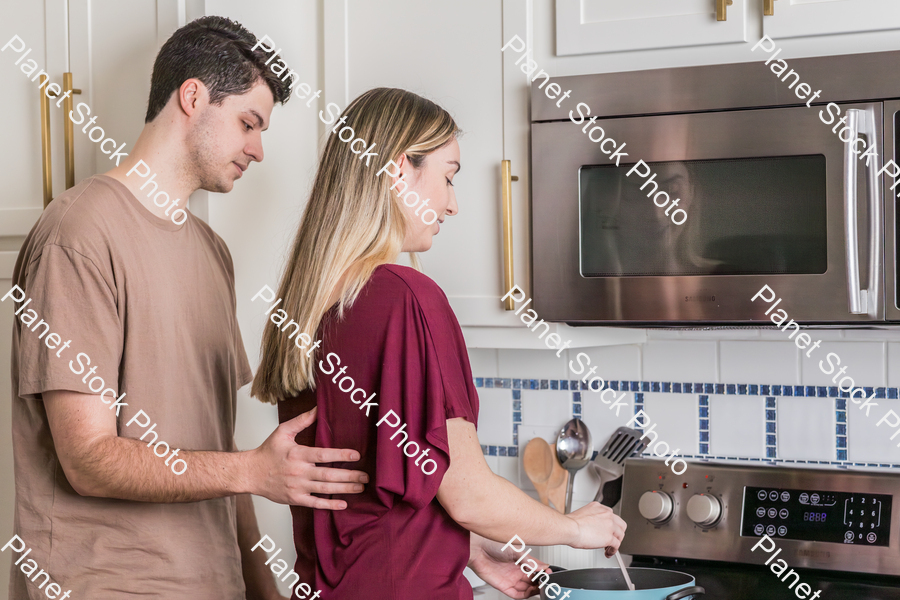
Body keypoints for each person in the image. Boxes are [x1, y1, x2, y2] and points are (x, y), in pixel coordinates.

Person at [8, 16, 368, 600]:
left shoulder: (212, 254)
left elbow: (225, 450)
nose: (257, 148)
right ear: (193, 96)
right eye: (248, 123)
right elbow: (87, 458)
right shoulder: (78, 235)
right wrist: (252, 470)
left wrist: (262, 588)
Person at [252, 88, 627, 600]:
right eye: (449, 177)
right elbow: (469, 494)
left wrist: (471, 553)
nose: (452, 204)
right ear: (399, 168)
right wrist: (577, 529)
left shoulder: (307, 302)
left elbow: (378, 494)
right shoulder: (406, 296)